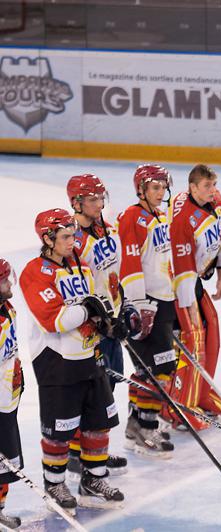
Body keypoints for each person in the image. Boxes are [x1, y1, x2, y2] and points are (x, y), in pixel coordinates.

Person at [21, 209, 126, 511]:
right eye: (65, 236)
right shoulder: (35, 271)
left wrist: (110, 322)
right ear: (48, 239)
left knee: (99, 421)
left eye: (73, 234)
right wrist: (88, 309)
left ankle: (93, 481)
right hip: (56, 362)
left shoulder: (81, 264)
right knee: (60, 429)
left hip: (89, 355)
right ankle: (54, 483)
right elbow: (54, 319)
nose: (73, 240)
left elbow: (99, 302)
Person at [66, 174, 130, 479]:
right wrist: (100, 322)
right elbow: (77, 291)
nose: (98, 203)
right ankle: (76, 452)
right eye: (92, 199)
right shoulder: (72, 241)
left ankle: (93, 449)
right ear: (76, 203)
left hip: (112, 321)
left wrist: (123, 304)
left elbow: (114, 272)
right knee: (91, 392)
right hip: (92, 330)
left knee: (109, 387)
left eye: (100, 198)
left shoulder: (109, 229)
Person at [168, 164, 221, 426]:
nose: (213, 190)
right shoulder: (183, 218)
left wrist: (220, 276)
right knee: (193, 339)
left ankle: (201, 392)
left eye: (214, 184)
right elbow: (182, 265)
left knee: (212, 330)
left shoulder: (216, 202)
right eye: (207, 186)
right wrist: (189, 304)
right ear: (192, 187)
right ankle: (181, 404)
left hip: (195, 278)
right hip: (178, 285)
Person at [118, 165, 177, 457]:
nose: (160, 192)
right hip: (146, 303)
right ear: (140, 189)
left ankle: (135, 426)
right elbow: (129, 262)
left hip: (164, 299)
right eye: (154, 187)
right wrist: (138, 304)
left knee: (149, 369)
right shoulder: (132, 217)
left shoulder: (160, 216)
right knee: (159, 369)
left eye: (163, 187)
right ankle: (146, 427)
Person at [0, 258, 23, 529]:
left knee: (6, 462)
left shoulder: (7, 308)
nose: (9, 284)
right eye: (4, 280)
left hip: (8, 394)